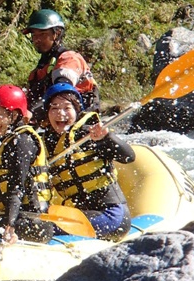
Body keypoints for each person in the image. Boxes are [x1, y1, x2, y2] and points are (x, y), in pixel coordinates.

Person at [42, 83, 133, 241]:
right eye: (54, 108)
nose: (60, 113)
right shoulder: (47, 144)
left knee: (42, 227)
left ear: (77, 110)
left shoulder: (90, 135)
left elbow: (129, 157)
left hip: (111, 216)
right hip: (80, 215)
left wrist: (106, 138)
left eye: (66, 108)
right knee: (35, 222)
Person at [0, 85, 54, 244]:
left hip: (32, 223)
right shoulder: (13, 140)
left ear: (15, 114)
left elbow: (16, 189)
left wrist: (10, 226)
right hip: (20, 217)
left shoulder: (22, 142)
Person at [23, 9, 100, 123]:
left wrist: (32, 113)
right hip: (55, 125)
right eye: (34, 35)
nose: (37, 39)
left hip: (79, 124)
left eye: (43, 34)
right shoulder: (38, 71)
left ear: (57, 33)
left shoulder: (69, 59)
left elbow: (61, 91)